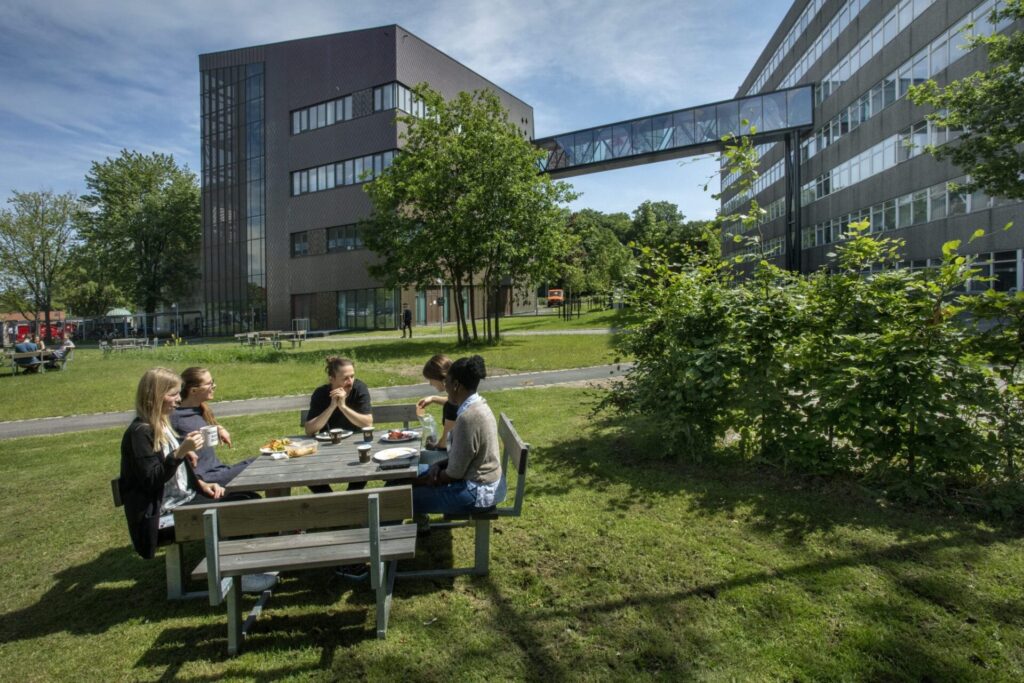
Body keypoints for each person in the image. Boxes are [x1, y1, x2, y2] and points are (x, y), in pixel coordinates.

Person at [118, 368, 275, 592]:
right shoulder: (139, 432)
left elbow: (180, 471)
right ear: (157, 395)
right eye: (173, 394)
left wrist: (202, 484)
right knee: (239, 507)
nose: (178, 399)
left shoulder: (161, 425)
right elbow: (151, 480)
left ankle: (246, 565)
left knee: (247, 497)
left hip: (183, 499)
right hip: (162, 516)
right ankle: (238, 575)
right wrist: (180, 453)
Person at [411, 355, 505, 515]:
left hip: (479, 493)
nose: (445, 387)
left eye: (446, 382)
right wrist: (438, 465)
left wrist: (428, 479)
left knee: (403, 498)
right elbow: (462, 456)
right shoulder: (479, 405)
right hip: (487, 484)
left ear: (456, 385)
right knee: (409, 485)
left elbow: (454, 473)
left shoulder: (468, 418)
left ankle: (387, 537)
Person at [171, 367, 255, 486]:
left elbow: (198, 425)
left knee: (264, 460)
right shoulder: (175, 417)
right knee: (261, 465)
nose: (214, 386)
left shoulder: (199, 409)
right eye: (209, 384)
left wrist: (218, 428)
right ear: (193, 391)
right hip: (206, 479)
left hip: (218, 470)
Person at [305, 356, 372, 493]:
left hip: (355, 445)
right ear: (332, 379)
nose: (350, 382)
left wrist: (343, 407)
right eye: (345, 378)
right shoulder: (321, 394)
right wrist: (331, 407)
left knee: (363, 466)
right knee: (308, 472)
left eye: (352, 376)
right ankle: (331, 500)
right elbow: (309, 429)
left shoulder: (359, 389)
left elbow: (368, 422)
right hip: (327, 447)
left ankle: (350, 499)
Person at [416, 354, 457, 462]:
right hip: (457, 452)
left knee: (418, 458)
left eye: (430, 379)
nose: (430, 384)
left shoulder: (453, 407)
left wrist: (434, 446)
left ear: (440, 378)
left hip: (453, 457)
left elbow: (445, 443)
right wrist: (433, 399)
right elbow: (449, 402)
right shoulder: (458, 393)